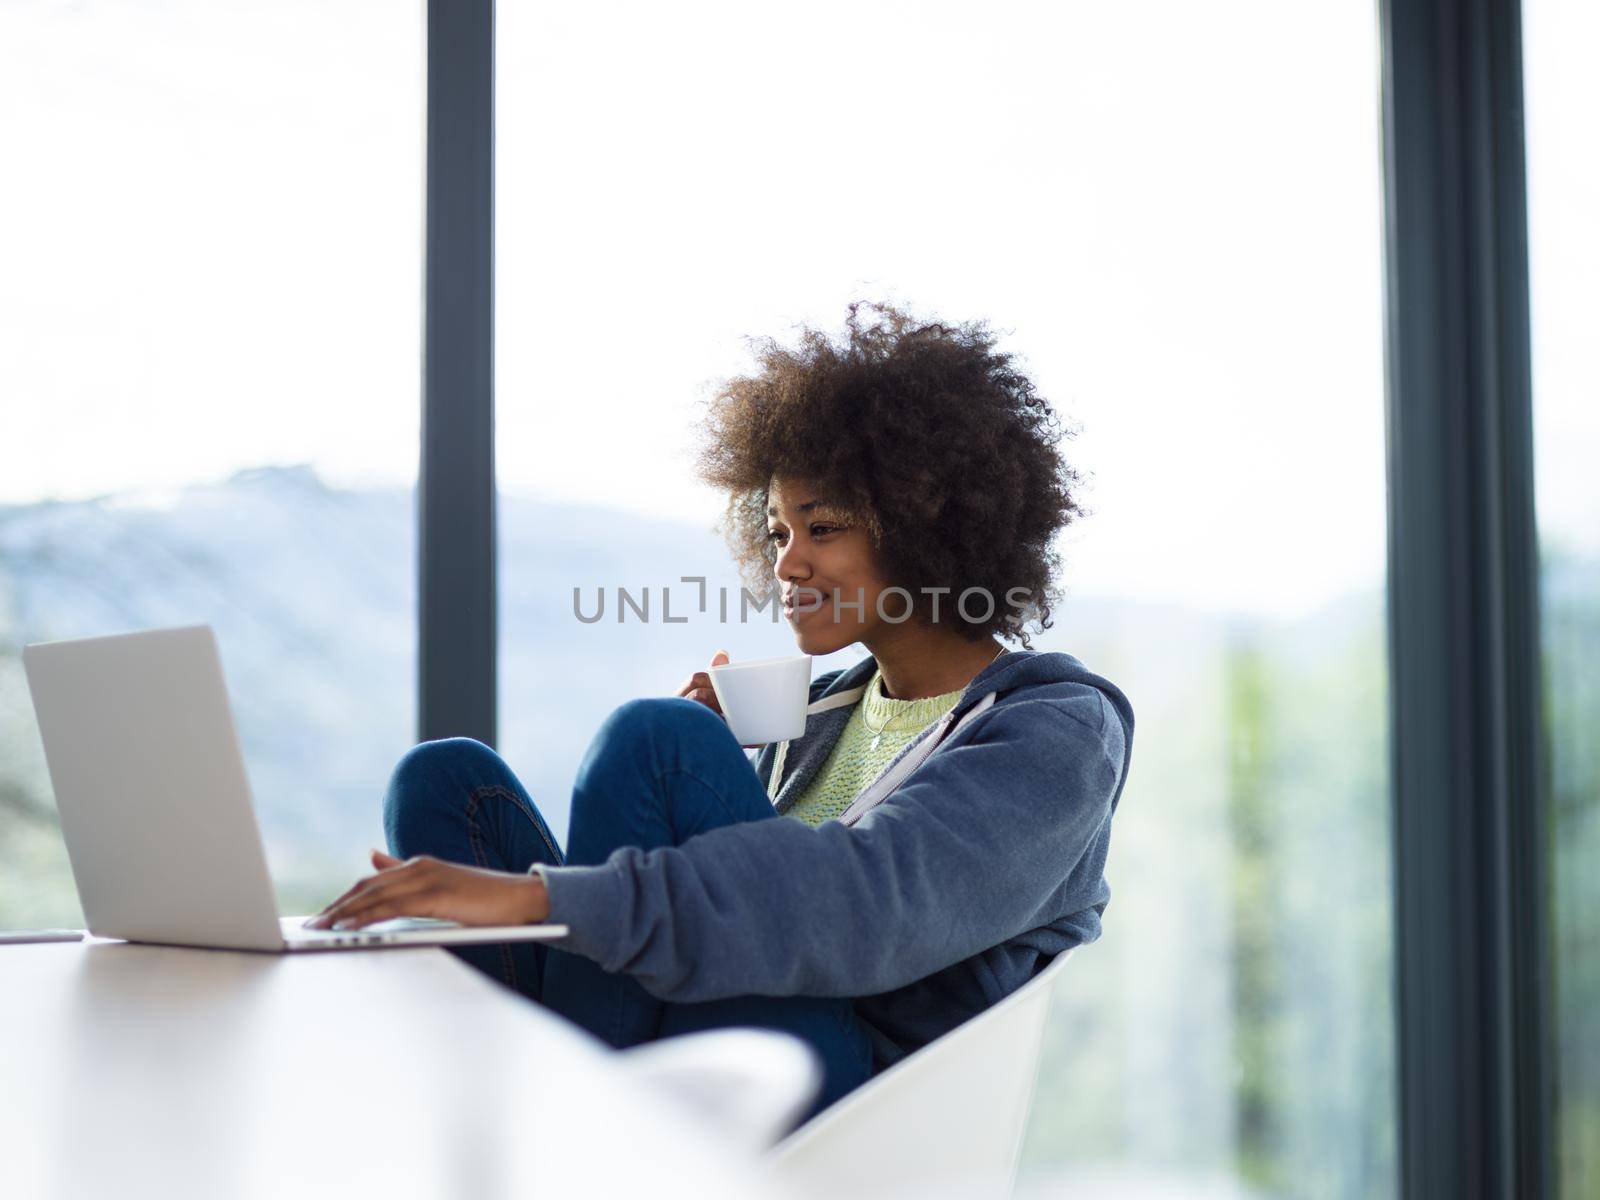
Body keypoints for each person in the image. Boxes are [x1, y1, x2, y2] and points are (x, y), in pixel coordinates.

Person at [309, 301, 1135, 1126]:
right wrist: (710, 768)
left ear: (929, 523)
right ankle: (542, 1115)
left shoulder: (1054, 731)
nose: (788, 562)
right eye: (777, 531)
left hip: (859, 1089)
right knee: (446, 779)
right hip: (721, 1021)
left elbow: (862, 910)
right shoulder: (817, 714)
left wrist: (540, 894)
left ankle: (571, 1135)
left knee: (655, 740)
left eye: (824, 526)